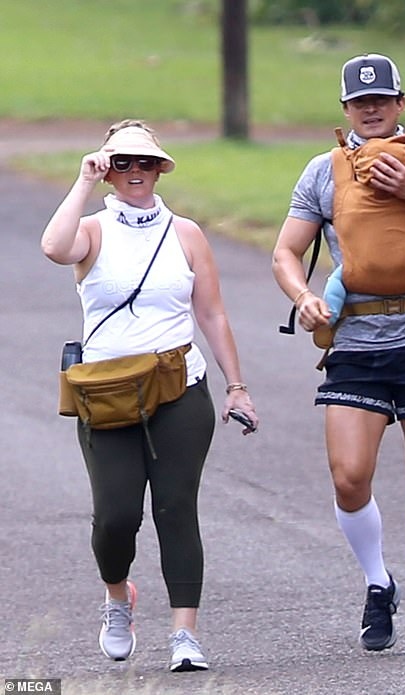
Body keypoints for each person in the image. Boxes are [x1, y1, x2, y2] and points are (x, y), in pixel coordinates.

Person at [272, 54, 405, 654]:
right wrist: (304, 297)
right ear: (345, 110)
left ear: (400, 103)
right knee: (349, 478)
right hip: (356, 338)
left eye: (382, 99)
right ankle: (378, 583)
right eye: (359, 102)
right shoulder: (324, 170)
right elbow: (286, 252)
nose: (371, 109)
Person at [41, 119, 258, 671]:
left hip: (179, 387)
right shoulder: (91, 229)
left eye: (144, 162)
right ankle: (118, 597)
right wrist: (84, 180)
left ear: (161, 168)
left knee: (176, 507)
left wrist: (236, 387)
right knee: (115, 517)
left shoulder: (186, 234)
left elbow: (211, 311)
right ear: (109, 169)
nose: (134, 172)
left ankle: (185, 634)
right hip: (108, 393)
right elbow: (53, 248)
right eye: (122, 163)